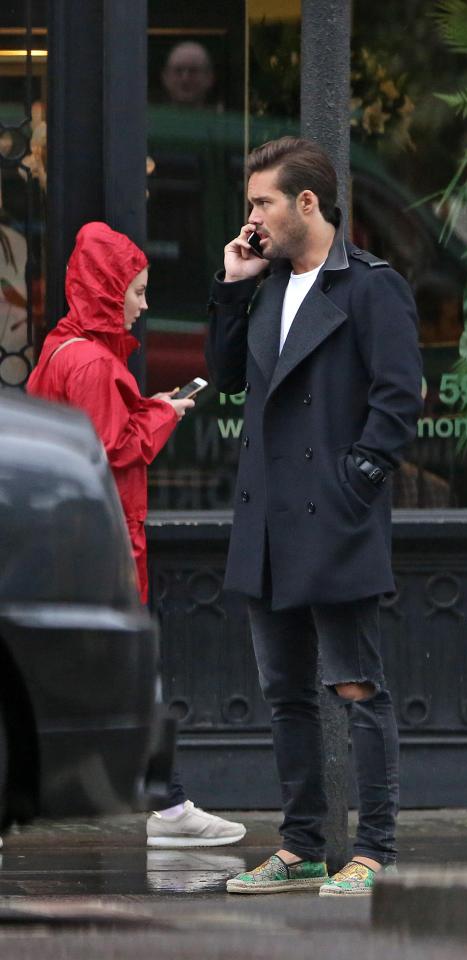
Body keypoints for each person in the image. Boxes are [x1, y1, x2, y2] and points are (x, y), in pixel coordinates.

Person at [206, 137, 423, 896]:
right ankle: (300, 846)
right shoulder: (267, 284)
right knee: (285, 693)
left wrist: (353, 483)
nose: (252, 218)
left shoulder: (371, 286)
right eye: (250, 204)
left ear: (307, 203)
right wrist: (234, 285)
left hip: (332, 518)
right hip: (268, 520)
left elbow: (400, 399)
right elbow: (230, 380)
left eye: (262, 202)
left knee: (357, 687)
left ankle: (373, 849)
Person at [27, 221, 246, 849]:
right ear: (108, 289)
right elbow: (110, 448)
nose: (145, 304)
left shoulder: (62, 348)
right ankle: (171, 808)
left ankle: (171, 804)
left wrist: (141, 408)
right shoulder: (95, 363)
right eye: (138, 290)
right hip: (100, 542)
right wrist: (163, 413)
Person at [161, 41, 222, 111]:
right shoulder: (150, 119)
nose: (185, 78)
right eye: (178, 71)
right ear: (165, 77)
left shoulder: (223, 120)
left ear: (209, 78)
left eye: (193, 71)